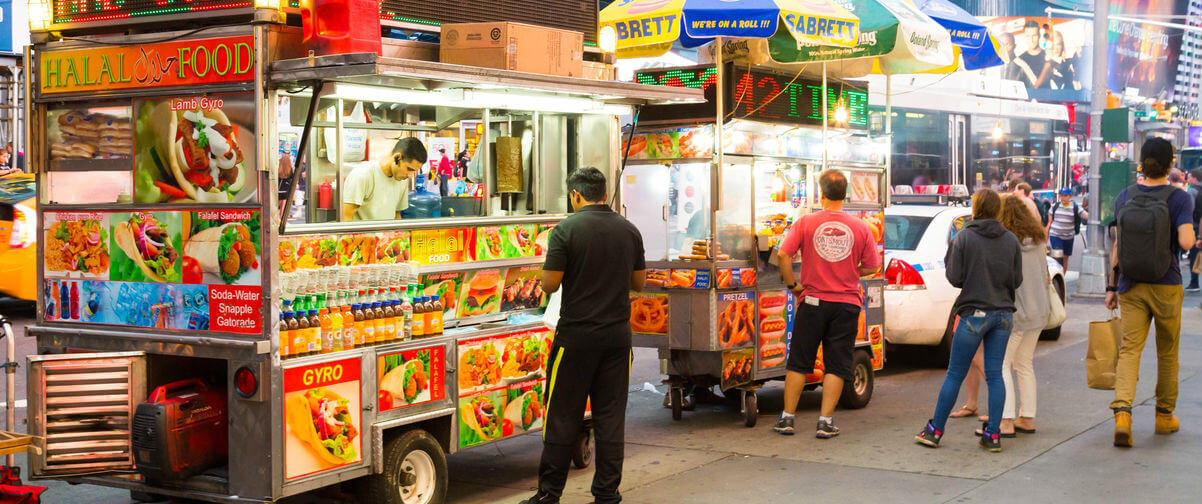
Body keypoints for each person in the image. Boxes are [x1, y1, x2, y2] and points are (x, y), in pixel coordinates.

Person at [524, 167, 646, 504]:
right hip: (618, 341)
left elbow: (549, 284)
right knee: (610, 417)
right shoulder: (629, 230)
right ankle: (607, 494)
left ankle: (549, 494)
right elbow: (639, 283)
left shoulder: (565, 230)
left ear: (576, 195)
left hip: (576, 340)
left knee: (563, 415)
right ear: (604, 194)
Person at [773, 170, 881, 438]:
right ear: (845, 194)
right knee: (836, 364)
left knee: (799, 362)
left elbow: (783, 255)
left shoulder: (806, 222)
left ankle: (787, 419)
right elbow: (872, 267)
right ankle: (825, 422)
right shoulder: (860, 227)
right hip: (846, 304)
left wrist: (792, 286)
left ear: (820, 193)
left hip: (812, 300)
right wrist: (850, 270)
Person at [915, 188, 1022, 452]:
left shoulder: (964, 238)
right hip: (1004, 314)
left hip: (974, 313)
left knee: (955, 373)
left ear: (975, 208)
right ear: (997, 209)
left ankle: (935, 431)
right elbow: (1016, 280)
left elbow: (954, 277)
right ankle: (993, 435)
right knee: (995, 375)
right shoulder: (1011, 240)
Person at [1105, 138, 1194, 447]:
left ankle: (1123, 416)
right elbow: (1184, 242)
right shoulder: (1180, 199)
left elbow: (1118, 246)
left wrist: (1111, 286)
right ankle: (1163, 415)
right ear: (1171, 164)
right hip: (1167, 284)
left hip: (1131, 285)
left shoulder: (1124, 196)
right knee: (1167, 352)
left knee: (1130, 350)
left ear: (1141, 161)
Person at [996, 195, 1051, 437]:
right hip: (1039, 311)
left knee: (1002, 365)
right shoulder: (1038, 240)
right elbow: (1045, 274)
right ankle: (1027, 417)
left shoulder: (1007, 243)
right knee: (1024, 363)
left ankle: (1005, 421)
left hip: (1017, 313)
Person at [341, 137, 426, 221]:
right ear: (397, 158)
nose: (411, 176)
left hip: (387, 234)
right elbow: (346, 217)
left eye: (414, 171)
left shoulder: (402, 181)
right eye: (409, 169)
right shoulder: (363, 175)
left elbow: (397, 215)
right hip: (363, 234)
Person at [1047, 187, 1088, 271]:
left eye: (1065, 196)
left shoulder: (1075, 207)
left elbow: (1084, 215)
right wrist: (1045, 237)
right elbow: (1049, 223)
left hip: (1068, 237)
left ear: (1070, 196)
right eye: (1061, 195)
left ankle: (1062, 277)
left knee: (1065, 258)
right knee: (1058, 257)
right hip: (1055, 235)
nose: (1062, 198)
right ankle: (1056, 276)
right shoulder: (1055, 206)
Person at [1014, 20, 1050, 89]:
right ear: (1025, 37)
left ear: (1039, 36)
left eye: (1034, 36)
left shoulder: (1048, 57)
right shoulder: (1020, 60)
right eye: (1028, 36)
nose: (1031, 40)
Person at [1188, 169, 1202, 292]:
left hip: (1196, 226)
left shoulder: (1192, 191)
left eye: (1189, 177)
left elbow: (1189, 210)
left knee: (1194, 255)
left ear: (1195, 178)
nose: (1188, 179)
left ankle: (1194, 282)